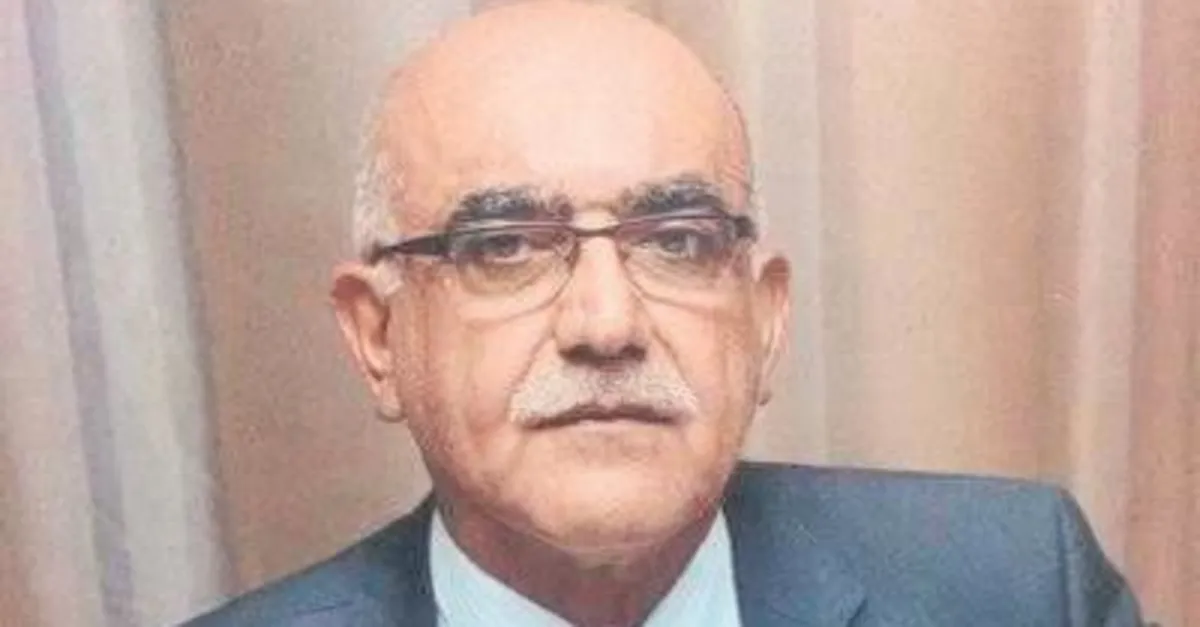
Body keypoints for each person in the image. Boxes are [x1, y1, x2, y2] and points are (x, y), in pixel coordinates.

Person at [187, 2, 1144, 625]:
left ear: (764, 320)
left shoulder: (1017, 585)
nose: (606, 323)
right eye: (506, 246)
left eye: (677, 239)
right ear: (376, 336)